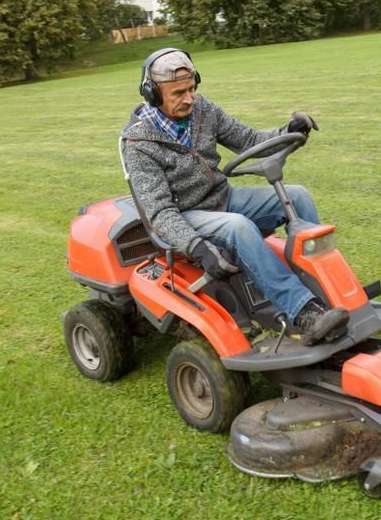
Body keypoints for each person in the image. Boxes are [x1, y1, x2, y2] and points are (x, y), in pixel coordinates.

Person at [121, 48, 349, 346]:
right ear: (152, 94)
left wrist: (290, 130)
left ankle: (325, 292)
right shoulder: (138, 142)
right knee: (238, 226)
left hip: (222, 197)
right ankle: (304, 313)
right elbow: (160, 214)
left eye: (191, 89)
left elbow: (249, 140)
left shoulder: (202, 110)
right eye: (178, 92)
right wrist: (198, 248)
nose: (189, 98)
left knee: (297, 196)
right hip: (185, 215)